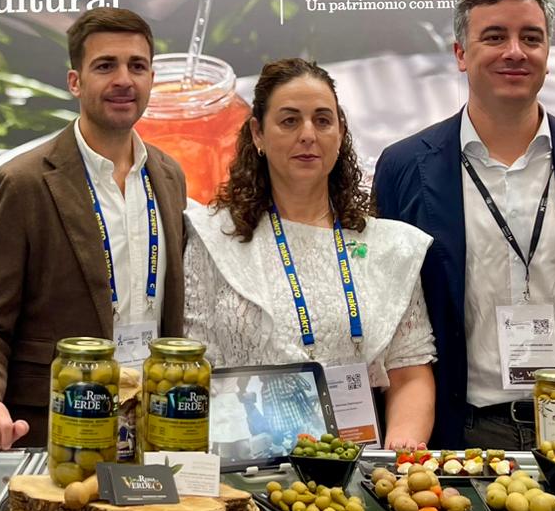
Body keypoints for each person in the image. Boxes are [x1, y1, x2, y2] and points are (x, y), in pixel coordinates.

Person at [373, 0, 555, 449]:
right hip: (461, 433)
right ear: (460, 54)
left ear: (548, 54)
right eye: (494, 37)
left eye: (531, 38)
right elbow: (390, 311)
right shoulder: (403, 166)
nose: (515, 52)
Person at [0, 7, 187, 451]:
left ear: (152, 78)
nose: (124, 80)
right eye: (105, 66)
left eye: (137, 66)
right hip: (60, 432)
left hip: (155, 428)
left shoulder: (170, 176)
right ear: (75, 82)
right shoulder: (21, 183)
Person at [186, 58, 436, 448]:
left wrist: (398, 457)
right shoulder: (215, 238)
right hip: (246, 469)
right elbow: (193, 370)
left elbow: (409, 371)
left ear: (340, 133)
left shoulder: (388, 247)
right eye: (289, 121)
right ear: (258, 134)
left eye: (322, 120)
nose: (308, 134)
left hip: (360, 470)